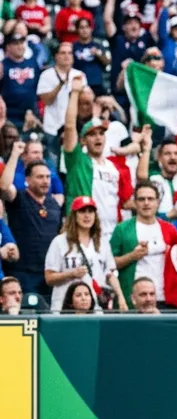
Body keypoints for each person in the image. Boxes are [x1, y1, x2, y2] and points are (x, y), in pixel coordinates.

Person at [63, 79, 136, 249]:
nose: (98, 137)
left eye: (101, 134)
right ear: (83, 141)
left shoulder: (113, 166)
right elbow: (69, 127)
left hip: (113, 234)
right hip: (85, 233)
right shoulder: (78, 161)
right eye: (92, 134)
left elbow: (125, 200)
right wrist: (74, 93)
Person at [110, 181, 177, 312]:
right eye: (141, 199)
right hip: (135, 299)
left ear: (158, 202)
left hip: (165, 298)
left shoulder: (170, 229)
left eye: (150, 199)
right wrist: (132, 256)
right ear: (135, 202)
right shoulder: (122, 229)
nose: (146, 203)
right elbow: (109, 265)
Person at [0, 144, 63, 297]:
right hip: (23, 273)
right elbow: (4, 186)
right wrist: (15, 154)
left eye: (48, 177)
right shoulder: (18, 198)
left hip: (48, 273)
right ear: (27, 179)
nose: (46, 181)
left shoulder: (53, 203)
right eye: (40, 177)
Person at [43, 195, 120, 313]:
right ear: (74, 216)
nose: (87, 215)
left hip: (96, 308)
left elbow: (110, 274)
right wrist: (71, 274)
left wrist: (121, 297)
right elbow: (49, 278)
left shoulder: (102, 242)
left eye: (91, 211)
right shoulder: (59, 242)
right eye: (82, 211)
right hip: (65, 308)